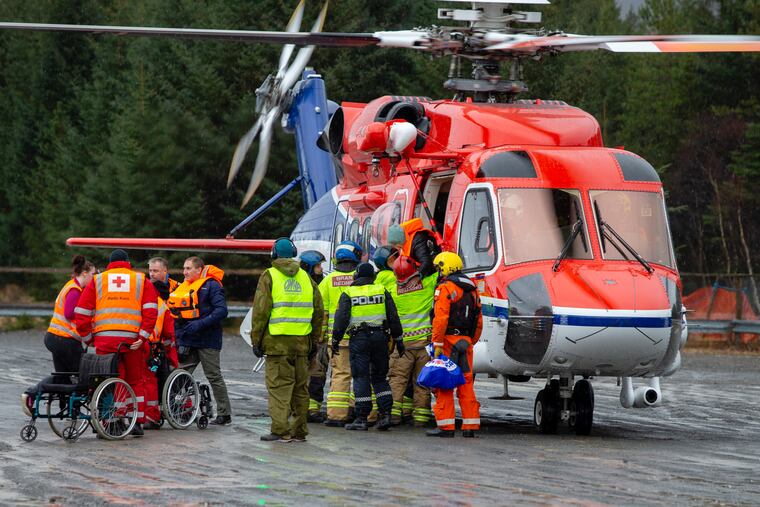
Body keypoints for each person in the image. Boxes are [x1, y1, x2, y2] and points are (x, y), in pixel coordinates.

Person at [74, 249, 158, 437]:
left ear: (110, 263)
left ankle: (111, 420)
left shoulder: (98, 280)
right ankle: (136, 421)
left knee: (107, 379)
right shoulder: (140, 280)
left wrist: (88, 339)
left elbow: (81, 313)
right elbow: (151, 312)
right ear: (127, 262)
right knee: (135, 380)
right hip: (131, 340)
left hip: (105, 340)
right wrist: (142, 337)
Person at [250, 239, 324, 442]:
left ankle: (280, 430)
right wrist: (314, 342)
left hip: (277, 344)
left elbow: (261, 311)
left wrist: (256, 340)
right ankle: (299, 431)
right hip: (301, 343)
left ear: (274, 254)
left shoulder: (269, 275)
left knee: (278, 389)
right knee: (300, 390)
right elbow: (318, 311)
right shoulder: (306, 278)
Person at [331, 262, 403, 431]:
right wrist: (399, 340)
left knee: (361, 376)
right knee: (379, 377)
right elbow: (393, 317)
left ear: (356, 276)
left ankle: (362, 418)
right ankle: (385, 415)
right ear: (373, 277)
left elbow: (341, 320)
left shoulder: (348, 293)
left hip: (359, 339)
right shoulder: (382, 291)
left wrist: (335, 340)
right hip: (380, 338)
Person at [426, 252, 483, 438]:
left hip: (447, 342)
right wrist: (470, 341)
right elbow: (478, 320)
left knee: (444, 382)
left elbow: (440, 318)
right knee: (466, 383)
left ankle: (446, 426)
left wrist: (437, 342)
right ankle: (470, 426)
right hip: (466, 342)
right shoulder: (473, 290)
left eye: (438, 268)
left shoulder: (445, 288)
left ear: (445, 267)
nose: (438, 272)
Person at [169, 256, 231, 426]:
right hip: (188, 339)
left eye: (188, 268)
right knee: (179, 376)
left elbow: (221, 311)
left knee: (213, 376)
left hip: (208, 339)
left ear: (199, 269)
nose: (184, 272)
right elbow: (176, 315)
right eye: (184, 268)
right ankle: (175, 409)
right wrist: (179, 337)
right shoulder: (183, 287)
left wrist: (200, 324)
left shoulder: (212, 286)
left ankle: (224, 414)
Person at [388, 255, 437, 427]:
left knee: (398, 379)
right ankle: (421, 418)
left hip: (403, 346)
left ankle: (393, 415)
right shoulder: (427, 285)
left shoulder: (392, 291)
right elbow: (438, 272)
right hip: (424, 345)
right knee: (422, 381)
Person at [319, 241, 362, 426]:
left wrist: (321, 337)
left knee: (340, 374)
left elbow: (321, 312)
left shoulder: (327, 280)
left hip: (337, 339)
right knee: (360, 375)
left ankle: (337, 415)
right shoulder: (360, 278)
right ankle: (356, 410)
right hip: (359, 336)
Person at [45, 255, 97, 378]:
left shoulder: (70, 285)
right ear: (84, 273)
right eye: (92, 274)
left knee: (63, 377)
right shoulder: (74, 290)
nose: (94, 278)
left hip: (55, 337)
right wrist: (89, 313)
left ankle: (32, 393)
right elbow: (69, 313)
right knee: (83, 373)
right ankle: (34, 390)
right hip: (64, 339)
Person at [143, 279, 177, 430]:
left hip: (137, 344)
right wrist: (171, 359)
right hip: (154, 349)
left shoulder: (141, 300)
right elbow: (169, 336)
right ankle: (152, 416)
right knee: (152, 381)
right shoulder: (163, 307)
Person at [299, 250, 329, 422]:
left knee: (316, 373)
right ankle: (309, 409)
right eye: (317, 265)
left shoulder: (319, 283)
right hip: (309, 336)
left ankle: (311, 409)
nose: (320, 268)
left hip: (312, 336)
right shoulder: (311, 285)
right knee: (312, 372)